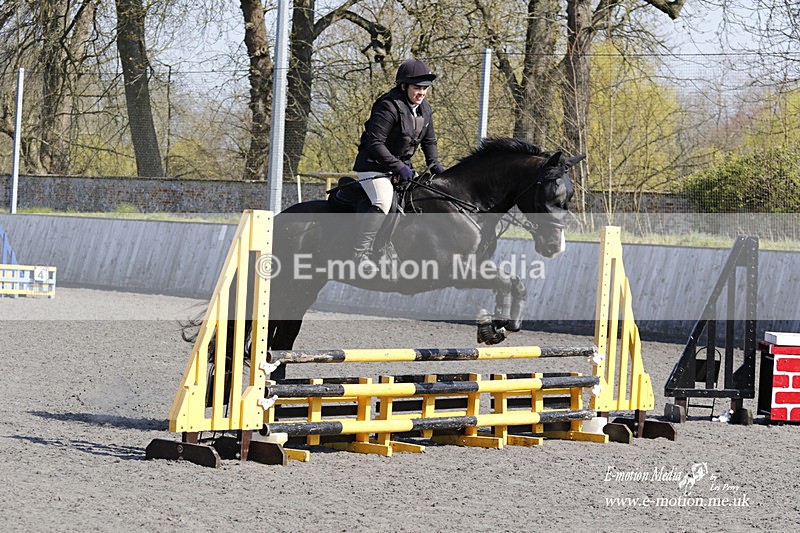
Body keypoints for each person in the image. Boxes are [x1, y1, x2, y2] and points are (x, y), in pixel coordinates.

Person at [351, 58, 446, 273]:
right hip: (373, 167)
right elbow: (375, 143)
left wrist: (434, 164)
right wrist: (398, 167)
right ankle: (361, 253)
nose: (421, 93)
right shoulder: (388, 105)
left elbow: (429, 141)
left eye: (425, 88)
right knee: (384, 202)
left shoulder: (425, 109)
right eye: (417, 88)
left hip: (399, 169)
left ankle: (385, 248)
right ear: (404, 86)